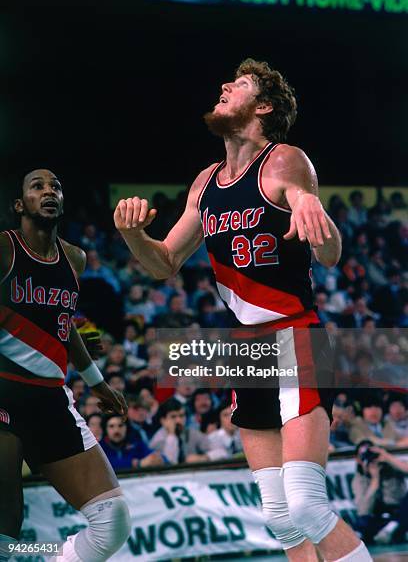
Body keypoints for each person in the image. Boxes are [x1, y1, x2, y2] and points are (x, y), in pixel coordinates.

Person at [114, 59, 370, 560]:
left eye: (242, 84)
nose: (226, 85)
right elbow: (165, 262)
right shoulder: (205, 182)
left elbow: (330, 252)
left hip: (295, 336)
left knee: (307, 507)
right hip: (245, 350)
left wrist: (313, 208)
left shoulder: (284, 160)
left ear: (263, 106)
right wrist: (131, 236)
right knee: (281, 518)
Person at [0, 169, 131, 562]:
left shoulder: (75, 258)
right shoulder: (4, 249)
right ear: (20, 205)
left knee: (114, 521)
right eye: (37, 186)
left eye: (55, 185)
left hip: (52, 401)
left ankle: (48, 557)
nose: (48, 191)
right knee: (6, 532)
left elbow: (68, 325)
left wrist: (96, 382)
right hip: (4, 394)